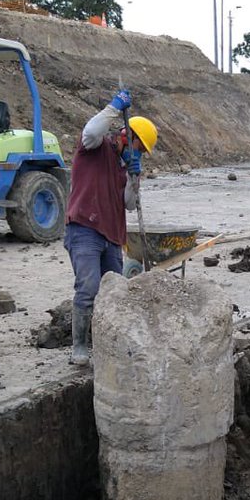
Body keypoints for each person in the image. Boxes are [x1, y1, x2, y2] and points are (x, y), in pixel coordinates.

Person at [64, 89, 158, 366]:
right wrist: (114, 107)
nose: (139, 153)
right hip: (84, 230)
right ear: (126, 136)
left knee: (116, 293)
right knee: (89, 287)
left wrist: (134, 177)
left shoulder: (124, 167)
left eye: (142, 152)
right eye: (139, 148)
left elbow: (129, 204)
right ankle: (79, 347)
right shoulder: (94, 147)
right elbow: (90, 131)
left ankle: (109, 343)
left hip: (112, 236)